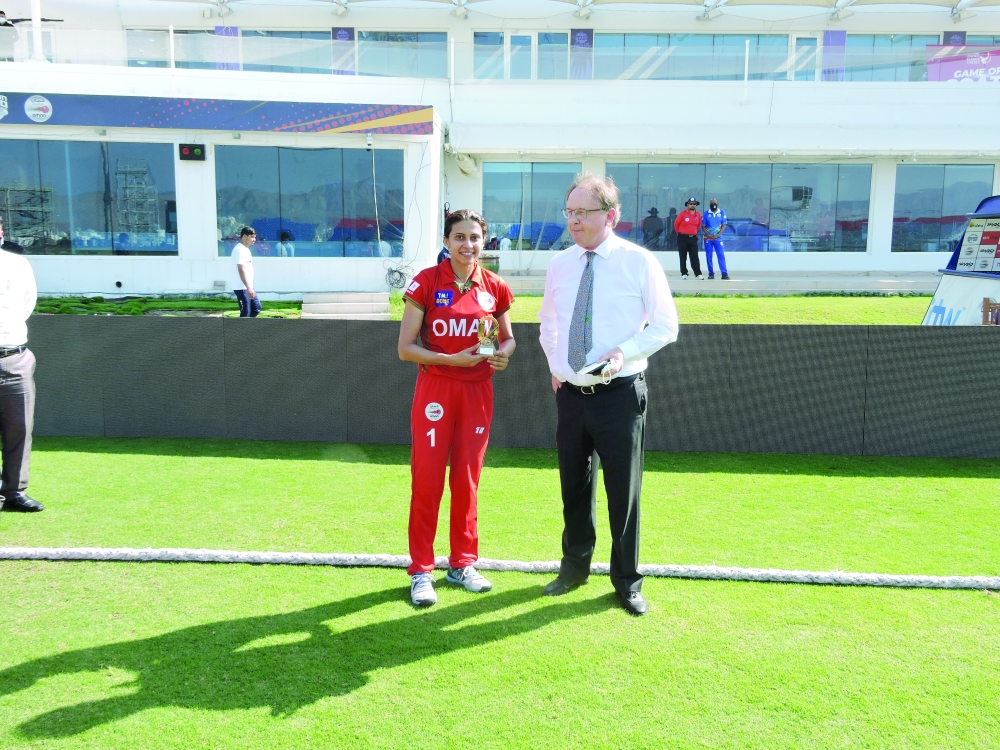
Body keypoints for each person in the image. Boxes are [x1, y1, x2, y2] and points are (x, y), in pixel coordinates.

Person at [538, 173, 678, 616]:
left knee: (624, 492)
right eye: (570, 212)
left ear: (611, 216)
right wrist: (557, 369)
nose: (574, 221)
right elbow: (549, 323)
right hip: (571, 396)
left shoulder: (639, 263)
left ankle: (626, 581)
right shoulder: (560, 263)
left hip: (619, 395)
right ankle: (573, 569)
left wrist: (625, 351)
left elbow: (665, 326)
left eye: (583, 213)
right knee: (573, 488)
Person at [398, 208, 516, 608]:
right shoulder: (427, 282)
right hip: (436, 389)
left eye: (476, 238)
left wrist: (502, 355)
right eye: (460, 237)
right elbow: (405, 349)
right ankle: (421, 570)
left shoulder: (494, 286)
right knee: (427, 479)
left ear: (485, 242)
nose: (469, 245)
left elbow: (507, 339)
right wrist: (453, 361)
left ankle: (462, 563)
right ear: (447, 241)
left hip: (478, 392)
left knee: (467, 480)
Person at [0, 217, 42, 513]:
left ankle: (14, 491)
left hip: (14, 358)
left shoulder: (17, 264)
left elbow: (27, 303)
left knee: (20, 428)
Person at [231, 227, 261, 318]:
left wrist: (250, 287)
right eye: (252, 237)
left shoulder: (245, 249)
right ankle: (241, 331)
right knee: (245, 314)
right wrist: (249, 288)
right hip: (241, 288)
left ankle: (247, 329)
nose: (254, 239)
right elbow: (241, 269)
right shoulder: (239, 250)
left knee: (256, 308)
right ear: (244, 236)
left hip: (247, 287)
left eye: (255, 237)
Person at [673, 197, 703, 279]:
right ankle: (684, 273)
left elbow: (698, 225)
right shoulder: (683, 214)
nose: (692, 205)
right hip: (682, 237)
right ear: (687, 205)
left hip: (693, 238)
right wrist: (680, 234)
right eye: (690, 204)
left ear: (696, 205)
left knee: (694, 256)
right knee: (683, 256)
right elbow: (676, 224)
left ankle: (698, 273)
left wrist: (692, 232)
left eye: (694, 204)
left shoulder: (698, 214)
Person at [702, 198, 730, 280]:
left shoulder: (722, 212)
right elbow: (703, 226)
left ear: (718, 203)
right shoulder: (706, 213)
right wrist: (708, 234)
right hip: (708, 238)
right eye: (712, 203)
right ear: (709, 204)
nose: (713, 204)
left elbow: (724, 224)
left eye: (715, 202)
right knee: (709, 256)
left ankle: (724, 274)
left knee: (721, 255)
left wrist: (718, 234)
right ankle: (711, 273)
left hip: (718, 238)